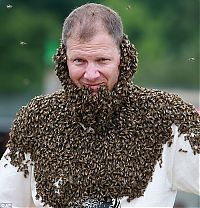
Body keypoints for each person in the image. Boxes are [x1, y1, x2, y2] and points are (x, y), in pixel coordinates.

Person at [0, 3, 199, 208]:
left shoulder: (167, 117)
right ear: (63, 60)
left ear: (123, 57)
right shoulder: (37, 119)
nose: (91, 74)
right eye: (79, 61)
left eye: (102, 60)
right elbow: (7, 200)